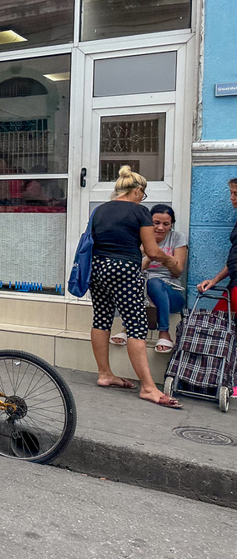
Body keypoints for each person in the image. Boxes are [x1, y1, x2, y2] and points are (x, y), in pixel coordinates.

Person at [87, 166, 182, 409]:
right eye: (143, 194)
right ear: (137, 190)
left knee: (101, 319)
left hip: (97, 269)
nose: (143, 198)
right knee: (136, 325)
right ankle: (149, 388)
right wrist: (170, 260)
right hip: (124, 269)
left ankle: (105, 373)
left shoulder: (99, 210)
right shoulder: (139, 211)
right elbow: (151, 251)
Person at [135, 204, 187, 353]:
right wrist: (150, 257)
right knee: (134, 283)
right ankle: (127, 330)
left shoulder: (177, 237)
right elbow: (135, 270)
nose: (160, 228)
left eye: (166, 224)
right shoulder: (140, 239)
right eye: (156, 223)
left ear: (171, 225)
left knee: (155, 282)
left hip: (172, 294)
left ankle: (164, 332)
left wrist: (162, 257)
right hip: (144, 292)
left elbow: (177, 271)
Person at [197, 178, 237, 311]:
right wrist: (215, 280)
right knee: (219, 322)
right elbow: (234, 256)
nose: (231, 198)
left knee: (221, 323)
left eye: (236, 194)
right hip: (234, 282)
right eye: (231, 193)